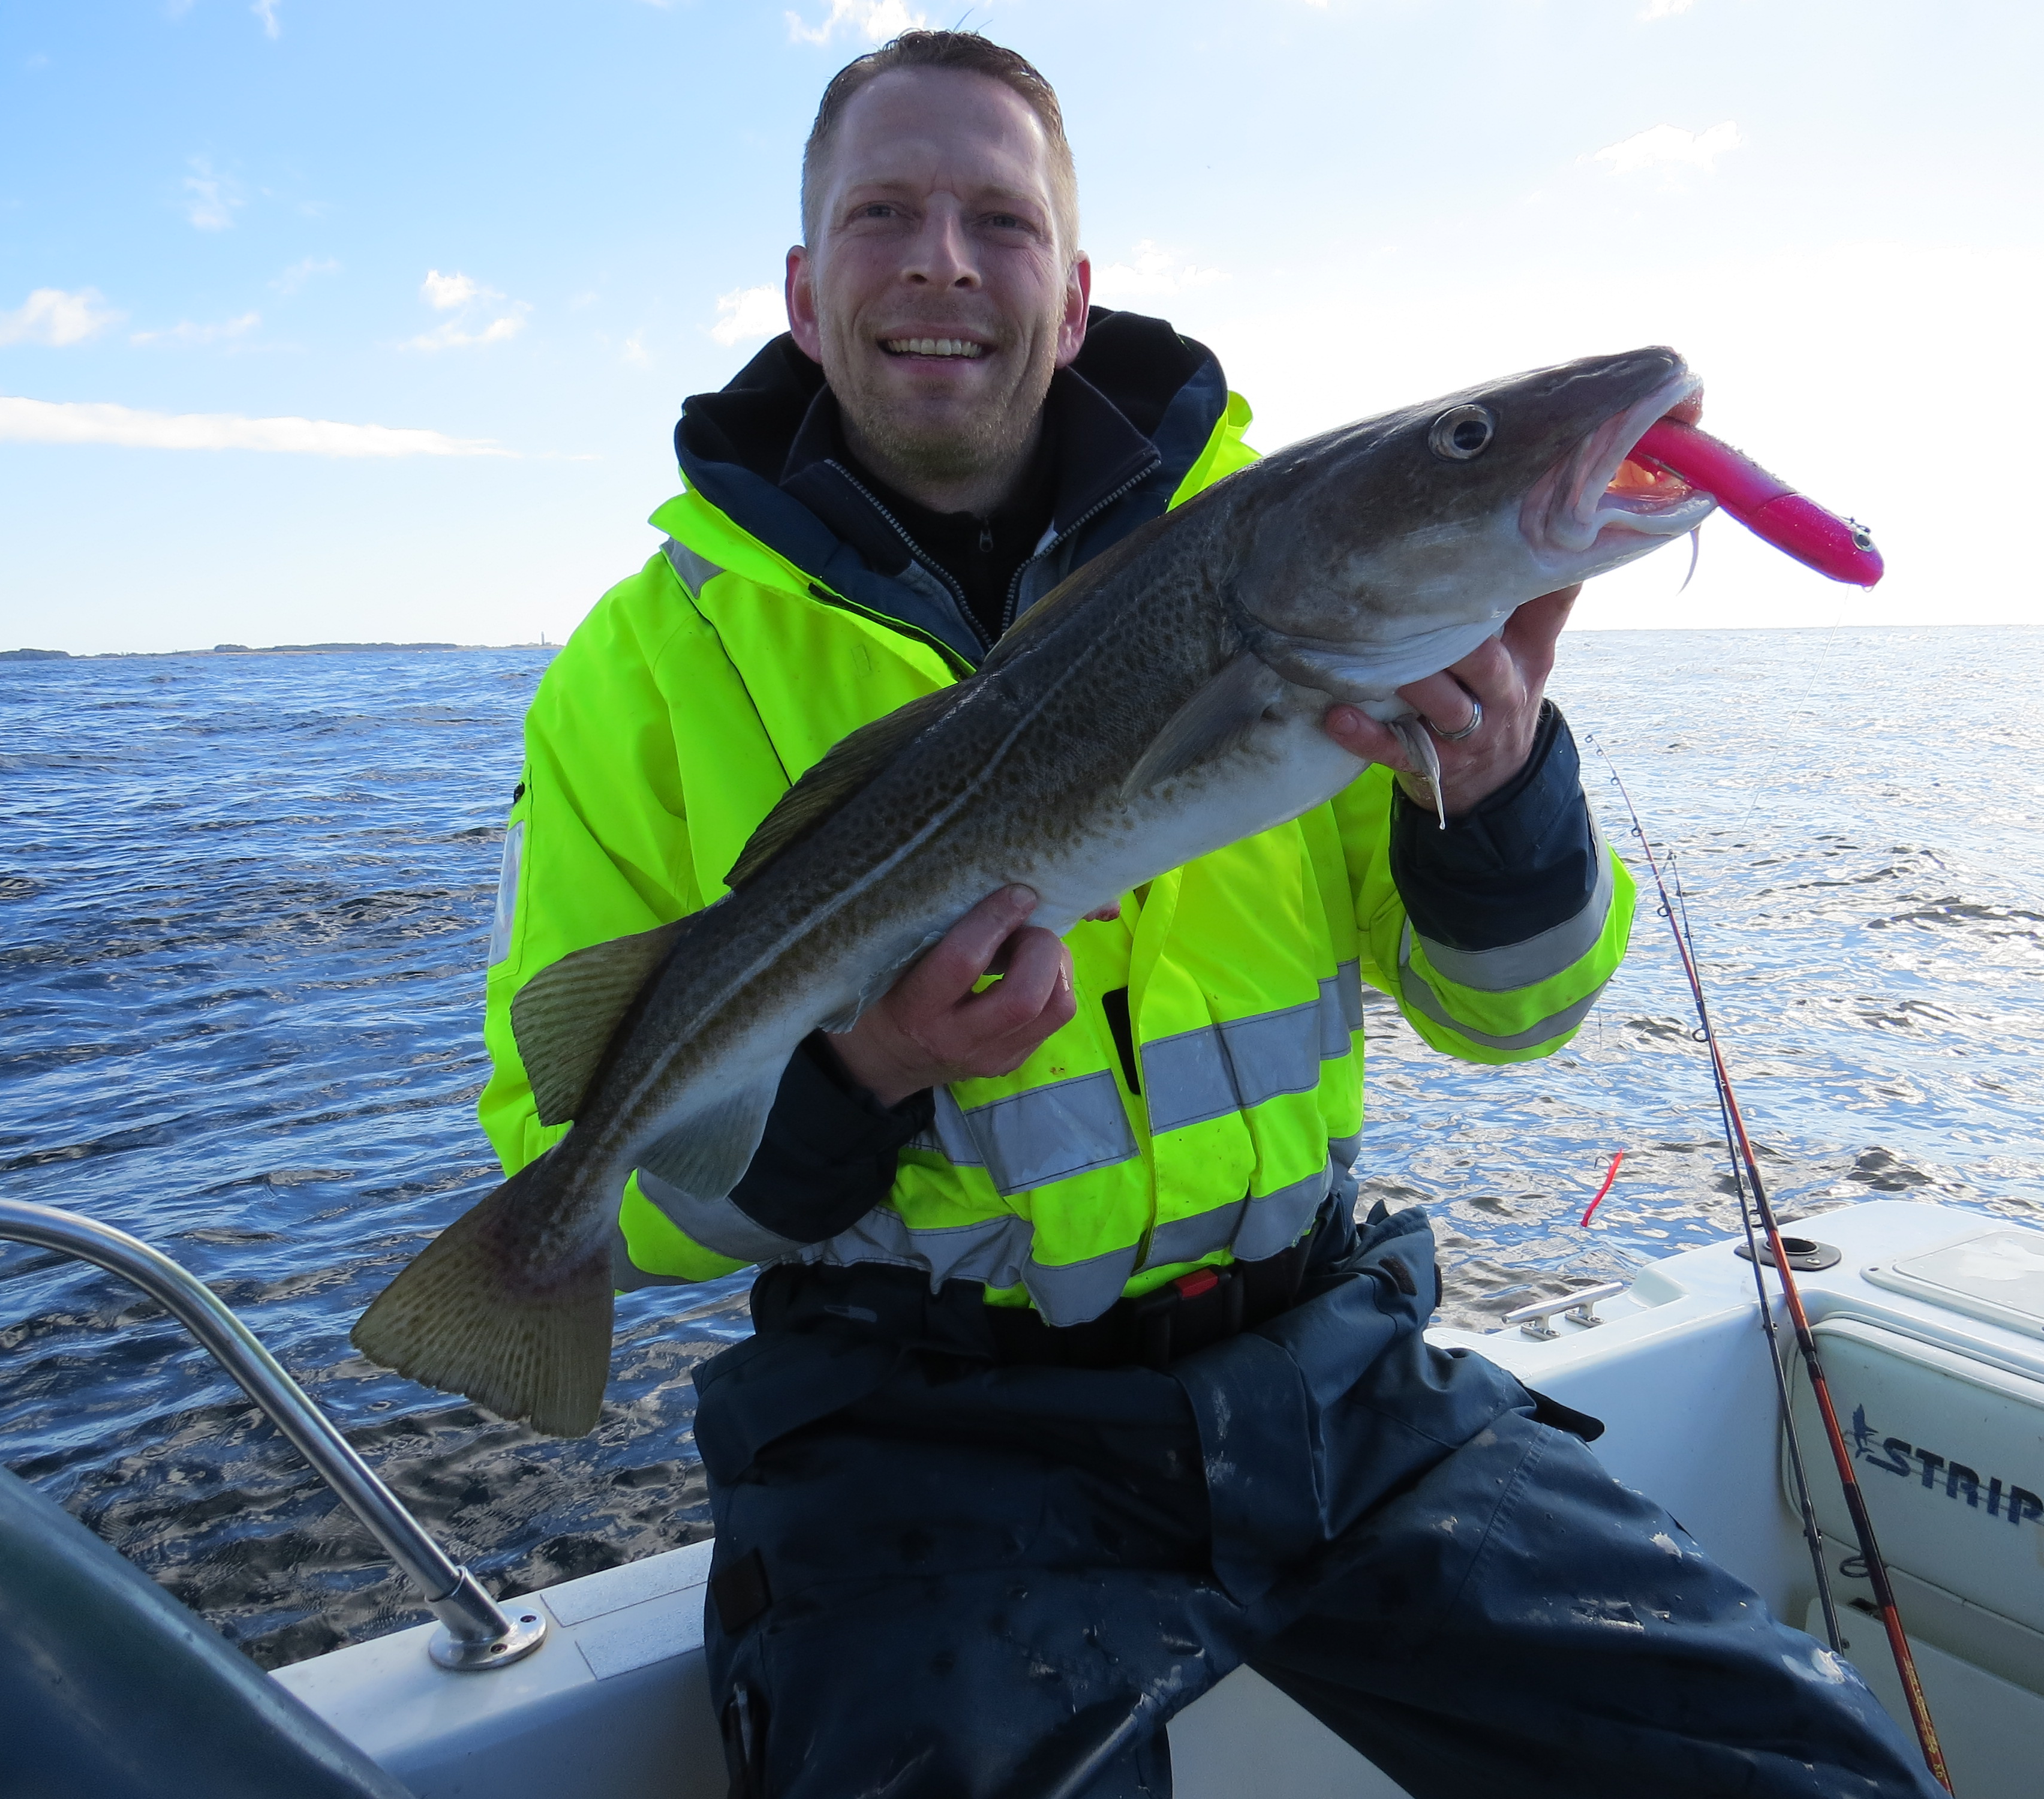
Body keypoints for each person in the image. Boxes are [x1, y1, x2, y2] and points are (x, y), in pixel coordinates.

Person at [482, 29, 1936, 1799]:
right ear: (804, 289)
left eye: (1001, 223)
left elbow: (1504, 1017)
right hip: (924, 1439)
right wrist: (862, 1077)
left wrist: (1494, 798)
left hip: (1332, 1376)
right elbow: (610, 1177)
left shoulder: (1294, 580)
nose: (945, 257)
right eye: (886, 211)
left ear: (1076, 297)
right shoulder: (639, 676)